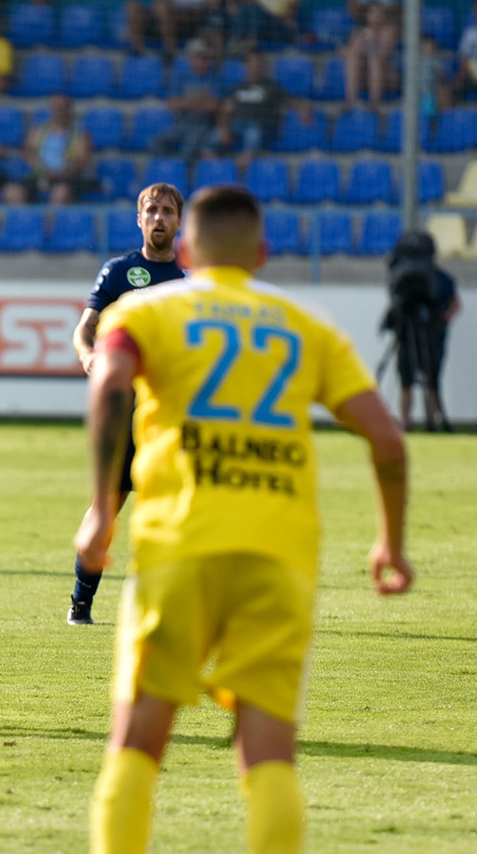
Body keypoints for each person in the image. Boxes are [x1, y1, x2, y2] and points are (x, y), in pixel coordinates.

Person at [76, 185, 413, 854]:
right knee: (269, 755)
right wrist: (391, 545)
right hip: (279, 557)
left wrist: (103, 511)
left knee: (139, 741)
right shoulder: (306, 325)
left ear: (189, 248)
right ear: (262, 254)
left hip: (181, 546)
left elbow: (109, 384)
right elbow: (388, 442)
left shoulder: (145, 310)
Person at [66, 183, 186, 626]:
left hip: (170, 419)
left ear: (179, 222)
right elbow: (86, 327)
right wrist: (88, 354)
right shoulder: (119, 271)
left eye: (167, 211)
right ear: (139, 219)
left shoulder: (191, 281)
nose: (158, 217)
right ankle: (81, 603)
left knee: (178, 513)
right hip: (124, 415)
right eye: (151, 210)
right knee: (106, 511)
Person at [384, 231, 462, 432]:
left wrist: (441, 320)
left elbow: (455, 304)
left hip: (432, 333)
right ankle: (406, 422)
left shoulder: (441, 279)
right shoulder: (403, 275)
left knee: (431, 379)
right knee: (407, 379)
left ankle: (432, 421)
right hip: (412, 333)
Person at [1, 94, 97, 205]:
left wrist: (62, 172)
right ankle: (24, 220)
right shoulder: (38, 131)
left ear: (69, 110)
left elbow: (82, 161)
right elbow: (28, 153)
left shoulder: (80, 134)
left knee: (60, 193)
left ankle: (53, 221)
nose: (58, 111)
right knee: (12, 191)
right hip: (41, 175)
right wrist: (40, 168)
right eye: (55, 108)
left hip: (66, 178)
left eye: (61, 108)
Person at [151, 38, 225, 164]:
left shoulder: (215, 78)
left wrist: (185, 102)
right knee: (157, 142)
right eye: (198, 57)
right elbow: (172, 104)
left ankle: (183, 177)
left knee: (188, 149)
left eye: (205, 58)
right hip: (181, 124)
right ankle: (168, 170)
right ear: (191, 59)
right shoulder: (182, 77)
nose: (201, 61)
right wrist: (199, 101)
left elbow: (213, 106)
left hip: (202, 125)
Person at [216, 51, 287, 171]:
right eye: (252, 63)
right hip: (237, 126)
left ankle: (244, 163)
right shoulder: (238, 88)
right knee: (212, 138)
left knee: (253, 132)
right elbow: (226, 110)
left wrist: (302, 106)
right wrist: (223, 127)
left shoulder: (271, 87)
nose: (255, 67)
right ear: (245, 66)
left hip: (259, 126)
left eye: (258, 63)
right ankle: (219, 170)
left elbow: (289, 100)